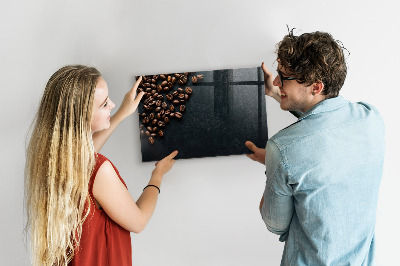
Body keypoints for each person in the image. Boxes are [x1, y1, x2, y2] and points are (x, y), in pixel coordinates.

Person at [245, 31, 385, 265]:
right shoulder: (371, 118)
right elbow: (325, 124)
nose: (277, 81)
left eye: (283, 77)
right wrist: (275, 93)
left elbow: (275, 224)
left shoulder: (282, 149)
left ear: (316, 86)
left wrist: (274, 163)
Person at [24, 65, 178, 266]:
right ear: (82, 117)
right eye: (105, 104)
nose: (113, 104)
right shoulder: (100, 170)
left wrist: (122, 113)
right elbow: (138, 221)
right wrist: (157, 176)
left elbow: (85, 157)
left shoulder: (53, 159)